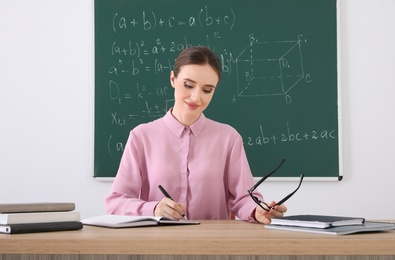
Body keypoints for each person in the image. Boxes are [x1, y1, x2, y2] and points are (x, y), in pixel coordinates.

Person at [104, 46, 287, 224]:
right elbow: (115, 202)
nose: (196, 97)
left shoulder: (228, 138)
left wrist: (257, 209)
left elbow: (243, 199)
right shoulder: (141, 137)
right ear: (173, 79)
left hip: (213, 247)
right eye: (189, 85)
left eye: (207, 90)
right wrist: (153, 209)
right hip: (157, 245)